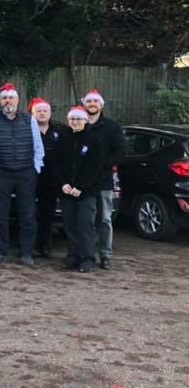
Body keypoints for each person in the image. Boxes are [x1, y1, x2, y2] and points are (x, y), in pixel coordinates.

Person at [0, 82, 44, 267]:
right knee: (1, 214)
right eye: (4, 97)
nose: (7, 100)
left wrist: (36, 168)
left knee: (28, 214)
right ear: (0, 101)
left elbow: (38, 147)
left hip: (26, 173)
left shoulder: (30, 119)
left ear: (17, 100)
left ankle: (26, 252)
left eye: (11, 97)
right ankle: (1, 250)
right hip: (2, 173)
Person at [56, 106, 105, 273]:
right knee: (70, 225)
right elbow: (56, 165)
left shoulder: (94, 140)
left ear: (85, 120)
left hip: (86, 193)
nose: (75, 122)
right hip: (67, 191)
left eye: (78, 119)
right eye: (72, 119)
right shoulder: (63, 138)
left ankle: (88, 258)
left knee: (85, 225)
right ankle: (73, 256)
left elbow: (95, 168)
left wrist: (81, 187)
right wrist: (63, 184)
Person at [82, 89, 126, 269]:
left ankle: (105, 254)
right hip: (83, 183)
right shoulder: (78, 123)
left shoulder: (112, 127)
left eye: (95, 101)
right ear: (84, 104)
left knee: (104, 219)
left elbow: (121, 152)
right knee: (85, 220)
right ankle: (86, 254)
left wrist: (103, 165)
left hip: (103, 181)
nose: (92, 104)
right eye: (89, 101)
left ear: (101, 104)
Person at [30, 97, 66, 259]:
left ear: (50, 113)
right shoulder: (28, 130)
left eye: (45, 111)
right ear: (33, 114)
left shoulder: (60, 131)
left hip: (52, 181)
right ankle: (32, 246)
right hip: (31, 179)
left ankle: (46, 245)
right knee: (30, 214)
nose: (42, 113)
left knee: (48, 215)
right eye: (39, 111)